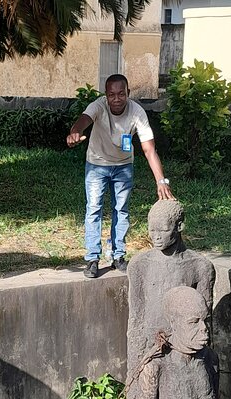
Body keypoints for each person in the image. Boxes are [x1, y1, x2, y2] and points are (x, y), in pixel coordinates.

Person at [66, 74, 174, 278]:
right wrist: (74, 132)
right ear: (106, 96)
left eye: (121, 94)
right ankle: (92, 258)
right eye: (111, 95)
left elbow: (150, 150)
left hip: (123, 167)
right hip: (97, 164)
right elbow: (82, 121)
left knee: (121, 210)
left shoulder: (137, 113)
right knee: (94, 209)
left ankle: (118, 256)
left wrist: (161, 181)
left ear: (128, 94)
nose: (116, 99)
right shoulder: (98, 106)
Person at [128, 286, 218, 399]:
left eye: (205, 320)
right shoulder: (155, 366)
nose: (204, 328)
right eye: (194, 322)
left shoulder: (210, 358)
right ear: (173, 322)